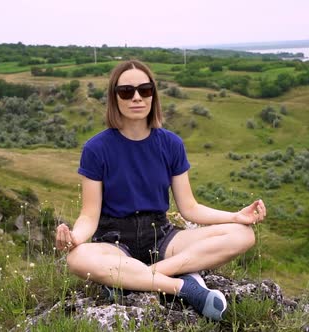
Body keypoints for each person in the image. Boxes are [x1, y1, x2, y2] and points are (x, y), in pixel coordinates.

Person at [55, 60, 266, 321]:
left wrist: (236, 217)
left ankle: (134, 278)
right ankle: (183, 287)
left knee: (243, 235)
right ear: (114, 97)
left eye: (145, 90)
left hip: (162, 236)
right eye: (126, 91)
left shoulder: (171, 144)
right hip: (114, 241)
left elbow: (190, 209)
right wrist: (75, 238)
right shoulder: (96, 149)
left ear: (153, 95)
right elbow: (89, 215)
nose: (136, 97)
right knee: (76, 258)